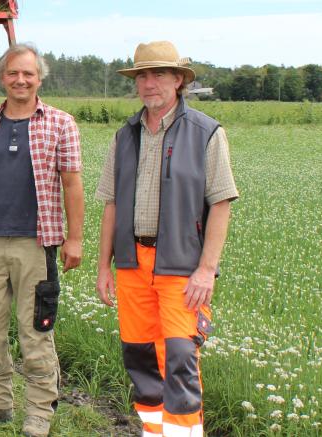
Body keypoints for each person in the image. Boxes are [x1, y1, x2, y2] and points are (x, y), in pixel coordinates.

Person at [95, 40, 239, 437]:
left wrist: (207, 271)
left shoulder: (207, 133)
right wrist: (103, 266)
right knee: (140, 358)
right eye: (142, 75)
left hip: (181, 268)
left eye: (159, 74)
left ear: (179, 80)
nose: (149, 83)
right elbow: (110, 205)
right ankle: (152, 431)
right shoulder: (124, 136)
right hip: (131, 266)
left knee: (179, 358)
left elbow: (221, 204)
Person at [0, 43, 84, 437]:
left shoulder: (61, 123)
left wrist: (73, 239)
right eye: (13, 73)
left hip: (36, 244)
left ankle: (40, 410)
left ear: (39, 78)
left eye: (28, 73)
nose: (20, 80)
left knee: (36, 330)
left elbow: (72, 183)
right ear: (2, 79)